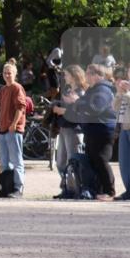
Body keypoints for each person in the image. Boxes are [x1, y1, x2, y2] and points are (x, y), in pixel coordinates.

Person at [54, 64, 117, 200]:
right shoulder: (92, 90)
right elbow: (81, 105)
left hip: (102, 130)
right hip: (92, 130)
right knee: (93, 161)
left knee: (101, 160)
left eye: (89, 73)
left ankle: (110, 191)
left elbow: (95, 108)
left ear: (97, 75)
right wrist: (75, 104)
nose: (86, 75)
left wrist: (76, 102)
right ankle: (98, 190)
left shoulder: (103, 90)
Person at [0, 62, 27, 198]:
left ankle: (18, 188)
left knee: (17, 161)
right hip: (3, 129)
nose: (7, 75)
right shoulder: (3, 90)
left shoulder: (17, 88)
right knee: (5, 162)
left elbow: (20, 107)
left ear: (15, 74)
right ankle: (6, 187)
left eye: (9, 72)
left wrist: (14, 124)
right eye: (5, 72)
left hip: (13, 129)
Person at [54, 65, 88, 180]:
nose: (64, 77)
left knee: (73, 161)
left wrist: (62, 110)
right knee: (60, 162)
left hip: (74, 129)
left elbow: (78, 113)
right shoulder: (68, 90)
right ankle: (67, 187)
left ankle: (75, 188)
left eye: (67, 75)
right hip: (64, 128)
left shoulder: (81, 93)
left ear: (74, 76)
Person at [114, 67, 130, 200]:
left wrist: (127, 93)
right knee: (124, 162)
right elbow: (114, 107)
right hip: (124, 127)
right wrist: (119, 93)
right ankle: (128, 190)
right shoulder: (126, 88)